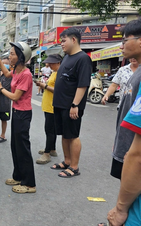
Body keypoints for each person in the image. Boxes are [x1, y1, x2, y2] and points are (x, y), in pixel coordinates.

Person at [107, 20, 141, 226]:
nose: (121, 45)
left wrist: (120, 210)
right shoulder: (133, 73)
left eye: (125, 40)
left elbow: (138, 155)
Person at [0, 42, 36, 194]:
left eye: (12, 54)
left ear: (21, 57)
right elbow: (7, 74)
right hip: (16, 112)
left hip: (23, 114)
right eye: (9, 54)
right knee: (15, 147)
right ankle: (18, 176)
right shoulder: (16, 70)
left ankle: (29, 184)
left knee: (23, 148)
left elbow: (15, 96)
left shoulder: (26, 74)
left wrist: (0, 88)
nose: (9, 57)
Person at [51, 27, 92, 178]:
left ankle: (74, 167)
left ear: (73, 40)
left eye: (63, 40)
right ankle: (67, 161)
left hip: (71, 106)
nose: (61, 44)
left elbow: (82, 84)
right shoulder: (67, 57)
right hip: (60, 104)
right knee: (64, 134)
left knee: (73, 135)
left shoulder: (83, 59)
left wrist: (75, 105)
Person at [35, 54, 63, 164]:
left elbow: (58, 90)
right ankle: (52, 149)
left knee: (50, 130)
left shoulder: (59, 73)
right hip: (48, 105)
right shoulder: (54, 72)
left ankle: (47, 154)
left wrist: (44, 86)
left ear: (58, 63)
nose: (49, 65)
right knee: (51, 129)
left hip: (53, 105)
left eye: (52, 63)